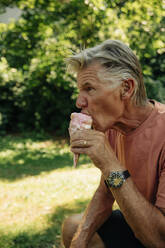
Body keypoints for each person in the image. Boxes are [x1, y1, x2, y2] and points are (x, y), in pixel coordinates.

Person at [61, 40, 165, 248]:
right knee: (74, 228)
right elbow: (107, 190)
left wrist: (110, 164)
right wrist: (80, 240)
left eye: (89, 88)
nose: (79, 102)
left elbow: (159, 240)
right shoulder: (111, 127)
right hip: (139, 220)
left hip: (158, 232)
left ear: (126, 88)